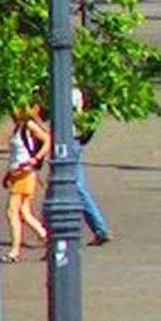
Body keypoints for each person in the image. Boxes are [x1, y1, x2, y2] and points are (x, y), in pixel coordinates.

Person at [1, 103, 50, 263]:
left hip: (25, 173)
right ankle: (47, 239)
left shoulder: (28, 125)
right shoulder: (18, 127)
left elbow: (47, 140)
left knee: (11, 211)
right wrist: (8, 174)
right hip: (17, 173)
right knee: (24, 211)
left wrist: (35, 159)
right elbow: (16, 153)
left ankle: (15, 251)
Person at [70, 86, 111, 247]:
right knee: (77, 186)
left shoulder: (69, 92)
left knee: (74, 187)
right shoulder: (82, 92)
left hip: (70, 140)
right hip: (76, 141)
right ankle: (99, 229)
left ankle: (49, 234)